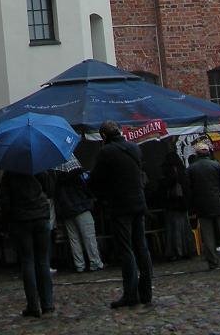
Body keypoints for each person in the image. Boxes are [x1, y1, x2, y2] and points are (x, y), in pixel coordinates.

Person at [89, 120, 152, 308]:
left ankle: (131, 294)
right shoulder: (134, 148)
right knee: (142, 247)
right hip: (138, 203)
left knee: (126, 250)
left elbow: (96, 180)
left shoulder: (106, 152)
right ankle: (146, 292)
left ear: (103, 136)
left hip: (120, 205)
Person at [0, 170, 54, 317]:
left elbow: (5, 201)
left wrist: (7, 222)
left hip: (22, 219)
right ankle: (47, 304)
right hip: (41, 215)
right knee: (43, 261)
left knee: (27, 261)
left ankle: (33, 305)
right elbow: (49, 188)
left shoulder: (10, 173)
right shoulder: (39, 167)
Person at [187, 141, 220, 269]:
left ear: (196, 154)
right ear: (208, 152)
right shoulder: (216, 165)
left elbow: (189, 190)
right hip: (218, 202)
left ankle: (213, 261)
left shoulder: (191, 169)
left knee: (208, 235)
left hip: (201, 205)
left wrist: (192, 207)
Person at [54, 166, 104, 273]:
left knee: (74, 239)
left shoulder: (58, 177)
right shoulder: (78, 174)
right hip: (81, 207)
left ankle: (79, 265)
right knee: (89, 236)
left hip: (66, 210)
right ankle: (95, 262)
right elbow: (87, 189)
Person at [158, 151, 194, 261]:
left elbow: (166, 186)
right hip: (182, 204)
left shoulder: (169, 172)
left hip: (173, 204)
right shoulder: (182, 171)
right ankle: (186, 249)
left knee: (174, 229)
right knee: (184, 227)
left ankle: (177, 251)